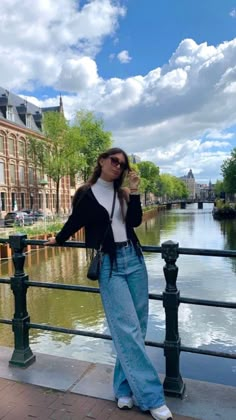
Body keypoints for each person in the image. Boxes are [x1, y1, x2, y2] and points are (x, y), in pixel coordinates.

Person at [45, 147, 172, 420]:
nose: (117, 167)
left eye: (122, 165)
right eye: (113, 161)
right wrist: (59, 238)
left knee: (136, 328)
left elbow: (135, 222)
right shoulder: (86, 194)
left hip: (135, 261)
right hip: (110, 265)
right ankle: (151, 397)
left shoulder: (122, 194)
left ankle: (123, 389)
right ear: (101, 161)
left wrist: (135, 190)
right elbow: (74, 221)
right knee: (126, 328)